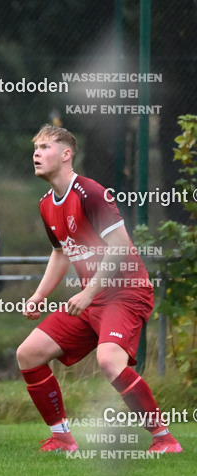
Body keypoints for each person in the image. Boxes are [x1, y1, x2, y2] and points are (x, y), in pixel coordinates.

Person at [16, 124, 182, 453]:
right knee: (29, 354)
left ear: (66, 155)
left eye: (45, 147)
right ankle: (62, 438)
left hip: (125, 292)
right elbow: (61, 252)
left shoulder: (90, 192)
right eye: (35, 147)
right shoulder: (47, 203)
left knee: (109, 360)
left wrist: (88, 292)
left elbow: (119, 247)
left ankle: (164, 439)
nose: (36, 153)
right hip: (92, 299)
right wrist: (39, 296)